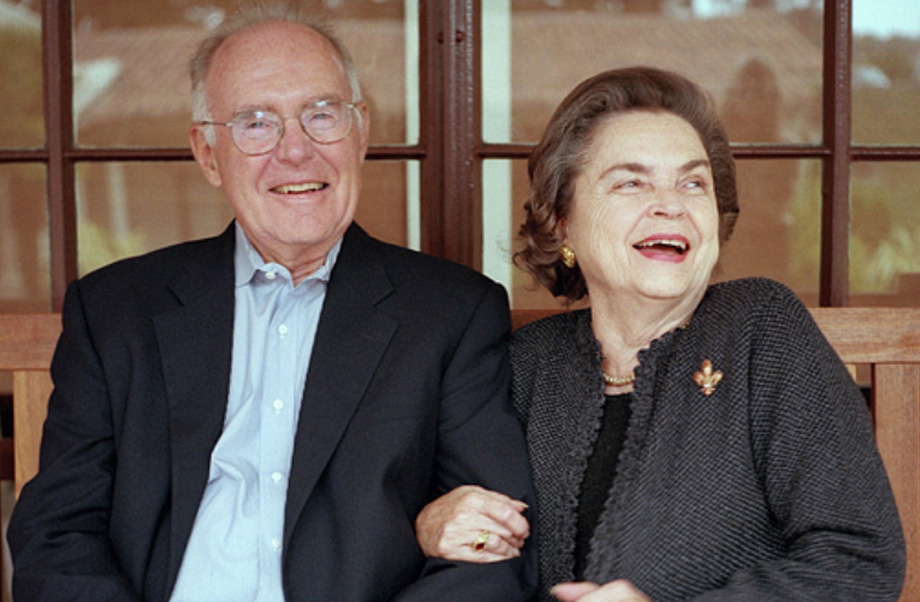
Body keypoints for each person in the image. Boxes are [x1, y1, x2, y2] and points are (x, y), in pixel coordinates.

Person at [7, 4, 537, 601]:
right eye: (256, 123)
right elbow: (56, 534)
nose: (295, 151)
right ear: (208, 153)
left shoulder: (451, 315)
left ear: (360, 131)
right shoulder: (115, 312)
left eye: (321, 114)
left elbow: (492, 551)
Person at [415, 67, 905, 601]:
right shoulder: (529, 362)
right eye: (632, 182)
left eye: (693, 183)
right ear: (561, 222)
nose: (671, 204)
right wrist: (430, 522)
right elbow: (426, 505)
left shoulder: (761, 329)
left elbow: (858, 558)